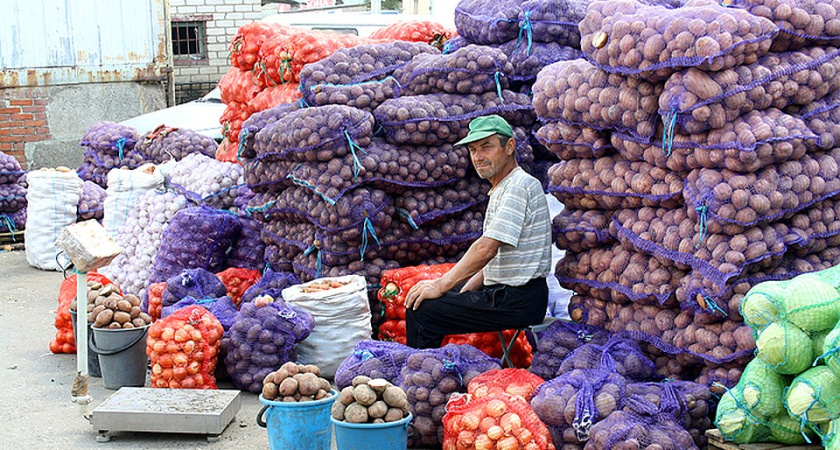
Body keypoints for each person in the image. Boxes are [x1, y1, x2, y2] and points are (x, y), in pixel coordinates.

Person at [404, 115, 552, 349]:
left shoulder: (518, 187)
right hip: (506, 294)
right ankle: (428, 365)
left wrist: (441, 285)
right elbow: (497, 255)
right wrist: (463, 289)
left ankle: (422, 369)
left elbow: (486, 249)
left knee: (423, 310)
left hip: (517, 299)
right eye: (473, 150)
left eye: (486, 147)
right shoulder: (504, 187)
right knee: (431, 299)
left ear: (509, 147)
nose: (478, 157)